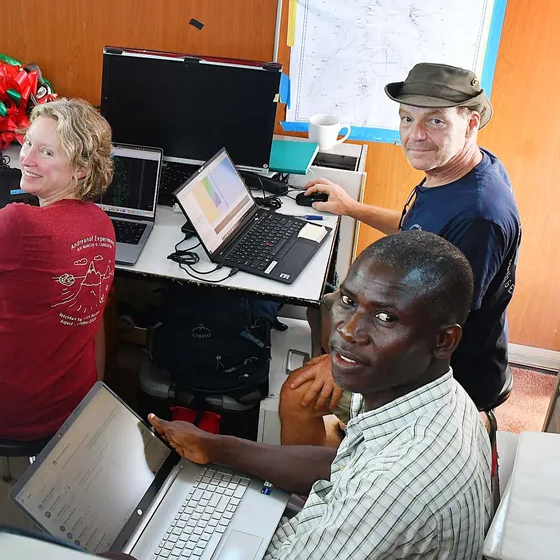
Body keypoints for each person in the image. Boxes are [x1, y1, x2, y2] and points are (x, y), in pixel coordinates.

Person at [150, 230, 492, 559]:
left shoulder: (395, 486)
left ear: (443, 340)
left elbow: (374, 488)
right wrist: (218, 447)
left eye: (386, 317)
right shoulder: (434, 394)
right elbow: (344, 466)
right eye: (348, 301)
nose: (347, 329)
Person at [296, 62, 520, 426]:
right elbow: (416, 232)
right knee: (320, 306)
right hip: (410, 329)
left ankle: (344, 471)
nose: (414, 135)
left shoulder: (480, 216)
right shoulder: (457, 171)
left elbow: (441, 330)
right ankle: (345, 425)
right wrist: (350, 207)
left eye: (435, 121)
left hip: (441, 374)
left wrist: (342, 362)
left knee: (296, 394)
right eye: (406, 119)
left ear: (471, 124)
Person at [0, 98, 116, 441]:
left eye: (47, 153)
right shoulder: (102, 224)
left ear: (81, 169)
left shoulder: (17, 220)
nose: (26, 159)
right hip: (68, 408)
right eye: (28, 142)